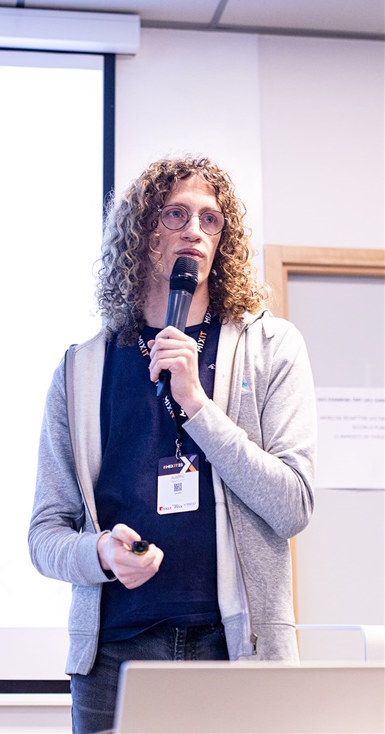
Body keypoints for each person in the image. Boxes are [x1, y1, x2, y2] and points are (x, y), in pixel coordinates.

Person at [28, 156, 316, 734]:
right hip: (114, 657)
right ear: (142, 232)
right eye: (176, 214)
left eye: (211, 220)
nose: (195, 231)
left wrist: (197, 405)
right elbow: (45, 534)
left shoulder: (271, 347)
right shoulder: (81, 369)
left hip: (237, 649)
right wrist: (100, 553)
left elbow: (293, 506)